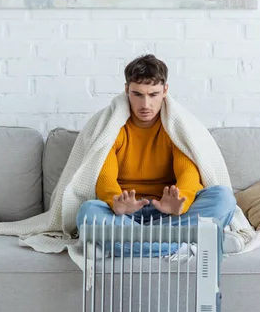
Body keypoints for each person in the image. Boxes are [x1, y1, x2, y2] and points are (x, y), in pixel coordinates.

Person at [76, 54, 237, 257]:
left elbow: (188, 173)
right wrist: (115, 201)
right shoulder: (112, 127)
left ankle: (118, 244)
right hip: (125, 215)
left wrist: (181, 201)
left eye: (153, 95)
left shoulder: (176, 128)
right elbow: (104, 175)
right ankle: (183, 243)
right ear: (126, 90)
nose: (145, 104)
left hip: (169, 214)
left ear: (165, 91)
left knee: (223, 197)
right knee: (88, 211)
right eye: (138, 94)